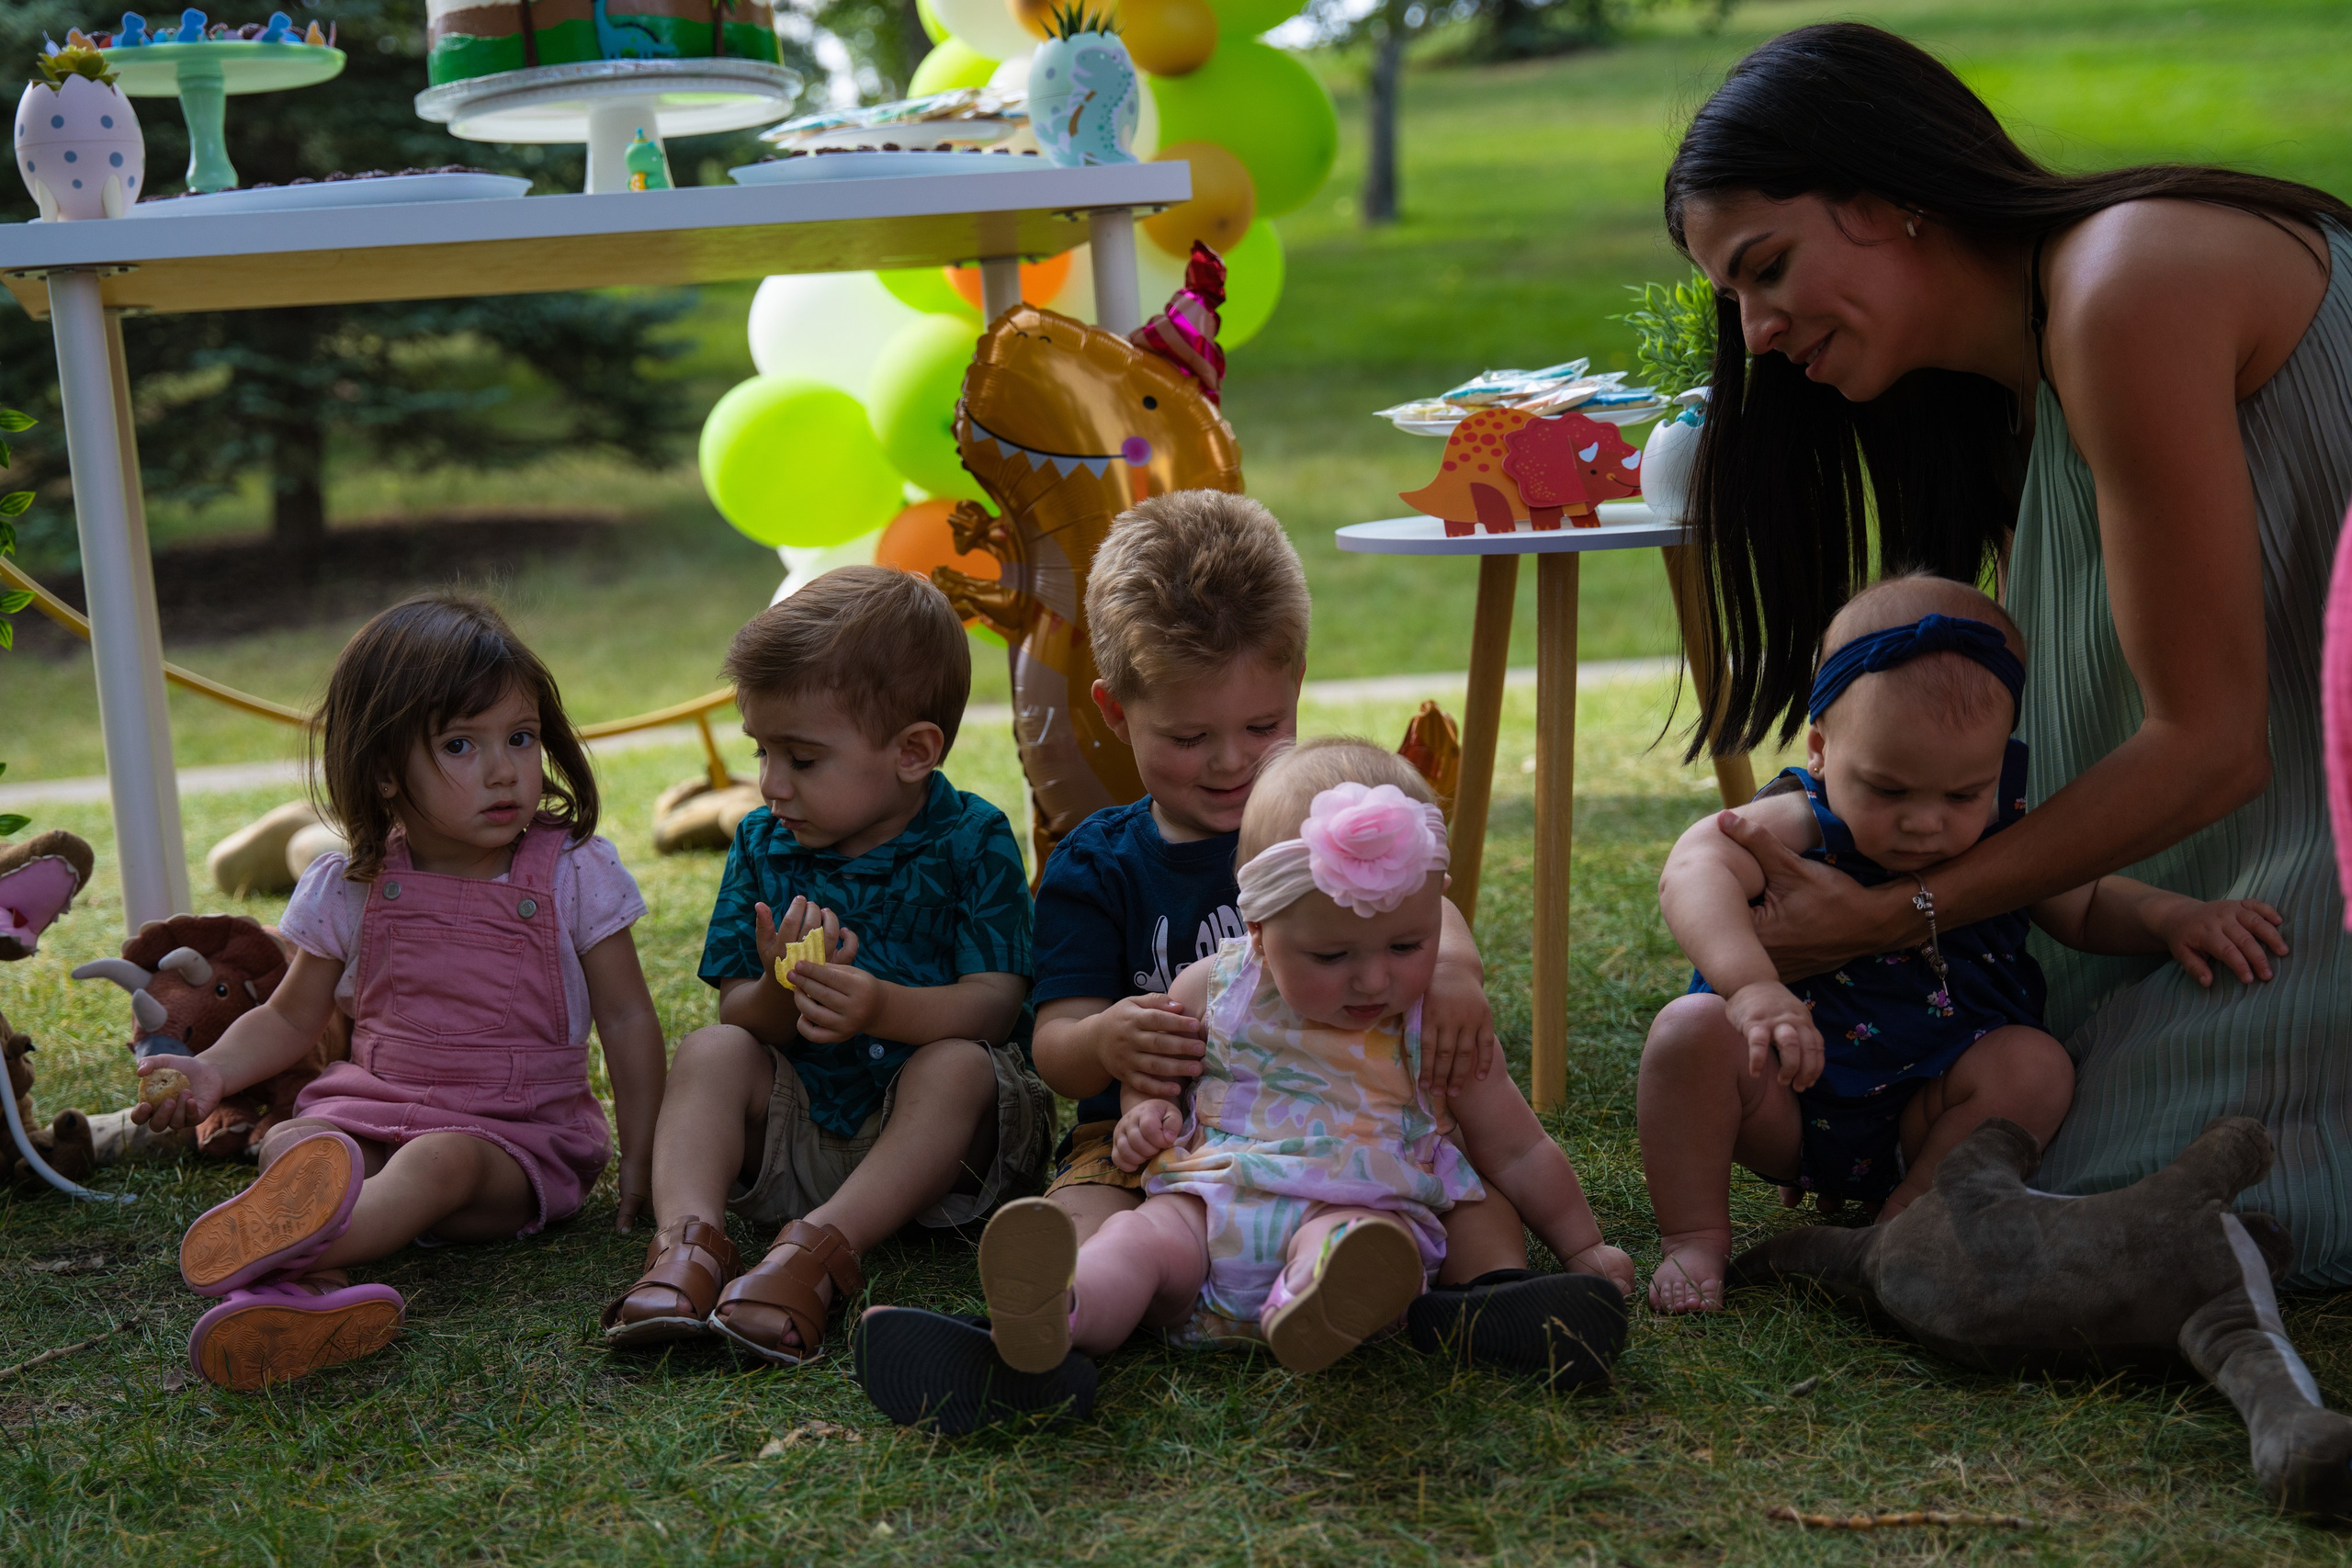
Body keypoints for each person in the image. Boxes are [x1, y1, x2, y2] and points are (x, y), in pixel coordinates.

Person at [1663, 22, 2352, 1283]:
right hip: (2240, 853)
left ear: (1888, 199)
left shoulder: (2123, 286)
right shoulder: (2015, 390)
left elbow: (2214, 746)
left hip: (2309, 855)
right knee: (2027, 1098)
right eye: (1734, 299)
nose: (1754, 333)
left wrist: (1889, 912)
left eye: (1768, 268)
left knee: (2105, 1155)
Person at [865, 740, 1631, 1425]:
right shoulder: (1213, 985)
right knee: (1138, 1238)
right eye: (1331, 957)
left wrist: (1584, 1245)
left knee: (1357, 1242)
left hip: (1354, 1205)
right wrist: (1146, 1113)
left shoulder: (1438, 1022)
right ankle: (1054, 1313)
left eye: (1407, 942)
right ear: (1257, 932)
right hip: (1210, 1205)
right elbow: (1155, 1069)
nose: (1373, 977)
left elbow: (1519, 1147)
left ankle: (1313, 1304)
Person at [1031, 493, 1631, 1345]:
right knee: (1101, 1217)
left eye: (1263, 724)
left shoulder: (1333, 823)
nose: (1232, 760)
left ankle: (1474, 1308)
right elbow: (1053, 1038)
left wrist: (1455, 971)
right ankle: (1056, 1325)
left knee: (1468, 1194)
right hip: (1154, 1137)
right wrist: (1106, 1042)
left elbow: (1425, 907)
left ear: (1297, 686)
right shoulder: (1098, 862)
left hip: (1363, 1124)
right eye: (1190, 735)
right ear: (1115, 710)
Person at [1640, 575, 2287, 1311]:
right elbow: (1696, 866)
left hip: (1932, 1109)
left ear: (1999, 768)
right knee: (1687, 1031)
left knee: (2035, 1066)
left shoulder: (2003, 832)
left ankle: (1909, 1221)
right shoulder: (1806, 820)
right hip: (1791, 1091)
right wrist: (1752, 985)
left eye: (1961, 796)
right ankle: (1694, 1237)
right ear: (1821, 750)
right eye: (1888, 790)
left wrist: (2171, 917)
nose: (1926, 824)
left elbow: (2089, 901)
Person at [136, 594, 665, 1390]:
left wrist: (645, 1159)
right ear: (384, 770)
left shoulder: (573, 870)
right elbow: (291, 1016)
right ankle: (302, 1298)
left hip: (511, 1138)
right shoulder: (353, 878)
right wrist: (211, 1071)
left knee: (434, 1162)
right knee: (301, 1143)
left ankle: (286, 1250)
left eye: (520, 739)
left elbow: (627, 1019)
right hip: (370, 1100)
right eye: (461, 744)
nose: (504, 770)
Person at [600, 568, 1052, 1365]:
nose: (771, 784)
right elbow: (739, 1015)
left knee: (956, 1067)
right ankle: (688, 1247)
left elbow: (996, 1004)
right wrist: (778, 990)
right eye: (762, 751)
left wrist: (881, 1007)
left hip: (941, 1156)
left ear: (914, 751)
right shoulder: (761, 843)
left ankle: (818, 1256)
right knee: (711, 1052)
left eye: (802, 759)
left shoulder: (972, 838)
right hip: (801, 1129)